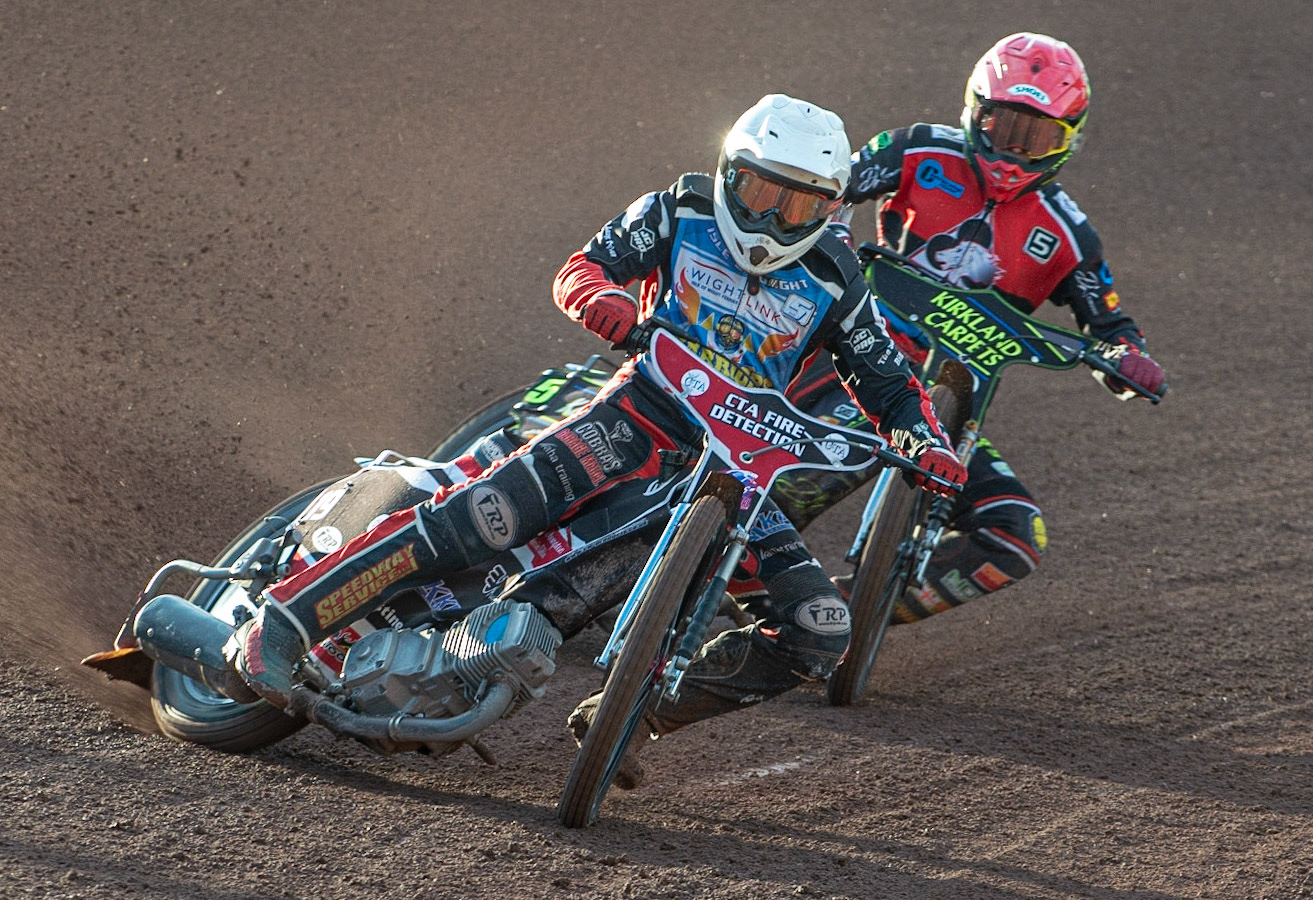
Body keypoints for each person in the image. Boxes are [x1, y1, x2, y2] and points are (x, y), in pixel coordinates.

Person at [224, 94, 966, 784]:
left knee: (819, 629)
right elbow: (584, 268)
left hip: (737, 470)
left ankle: (633, 720)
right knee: (484, 518)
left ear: (830, 208)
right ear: (728, 173)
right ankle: (287, 620)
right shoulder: (681, 206)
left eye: (797, 203)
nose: (771, 220)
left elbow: (889, 384)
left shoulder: (837, 275)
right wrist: (605, 301)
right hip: (635, 415)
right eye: (759, 192)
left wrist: (926, 442)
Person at [801, 32, 1166, 624]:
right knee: (811, 469)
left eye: (1036, 136)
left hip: (951, 409)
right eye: (1002, 127)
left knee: (1016, 537)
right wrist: (836, 231)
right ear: (974, 111)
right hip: (844, 351)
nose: (1015, 152)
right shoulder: (917, 147)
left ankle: (833, 618)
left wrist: (1128, 359)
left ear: (1066, 140)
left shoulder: (1070, 234)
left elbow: (1112, 324)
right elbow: (830, 185)